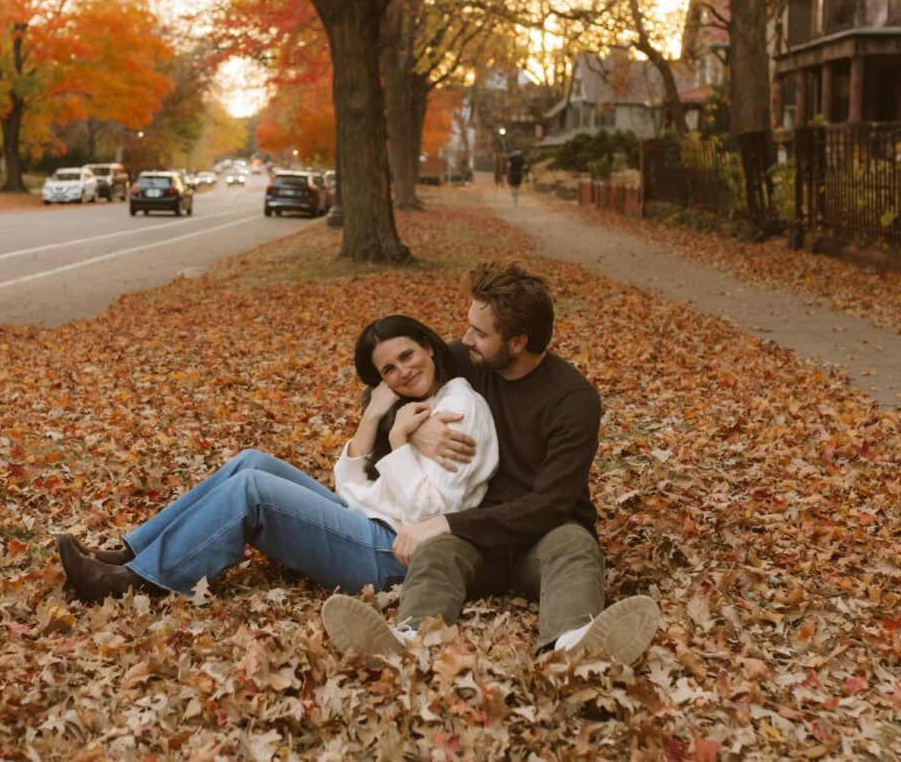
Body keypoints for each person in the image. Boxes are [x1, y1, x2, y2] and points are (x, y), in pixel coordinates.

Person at [322, 263, 660, 665]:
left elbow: (551, 503)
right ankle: (410, 640)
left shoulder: (573, 399)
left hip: (541, 537)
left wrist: (447, 521)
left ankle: (571, 645)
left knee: (575, 544)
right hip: (478, 540)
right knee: (436, 552)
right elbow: (389, 385)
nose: (465, 339)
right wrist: (414, 426)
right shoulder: (470, 357)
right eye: (468, 327)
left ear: (517, 341)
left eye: (479, 333)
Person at [55, 316, 499, 604]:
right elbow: (348, 485)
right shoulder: (416, 404)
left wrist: (400, 440)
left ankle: (141, 581)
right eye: (388, 370)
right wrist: (375, 414)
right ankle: (130, 552)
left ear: (430, 346)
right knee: (252, 462)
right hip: (367, 520)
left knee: (253, 492)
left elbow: (431, 514)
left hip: (391, 554)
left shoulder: (459, 410)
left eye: (407, 355)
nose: (402, 372)